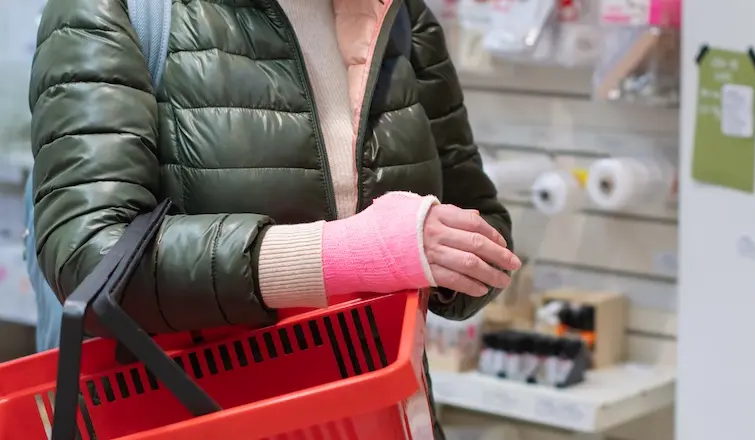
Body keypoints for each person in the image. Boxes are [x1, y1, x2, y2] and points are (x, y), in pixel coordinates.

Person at [29, 0, 518, 437]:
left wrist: (446, 256)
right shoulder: (123, 10)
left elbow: (485, 227)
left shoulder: (395, 14)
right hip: (206, 414)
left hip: (383, 415)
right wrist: (353, 253)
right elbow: (88, 259)